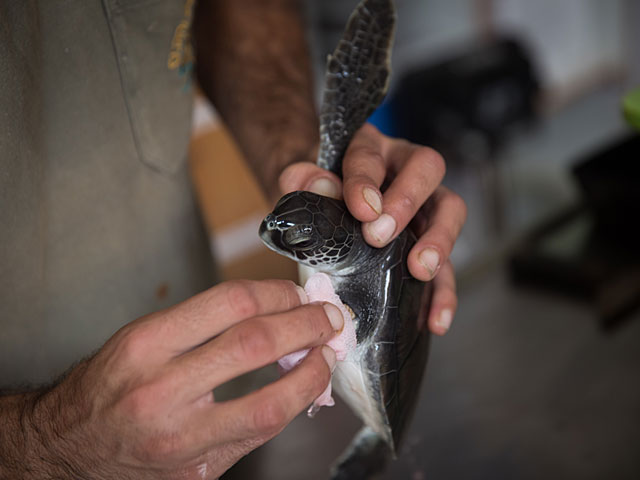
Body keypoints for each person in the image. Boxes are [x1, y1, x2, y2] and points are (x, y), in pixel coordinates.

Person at [0, 0, 467, 478]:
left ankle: (374, 440)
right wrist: (41, 441)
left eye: (291, 237)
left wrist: (310, 167)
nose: (273, 234)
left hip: (204, 371)